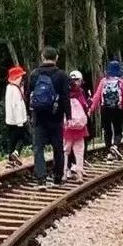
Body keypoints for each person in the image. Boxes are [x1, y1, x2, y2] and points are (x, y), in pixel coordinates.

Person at [26, 45, 71, 186]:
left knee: (38, 148)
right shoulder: (62, 75)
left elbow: (29, 95)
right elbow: (65, 98)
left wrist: (30, 113)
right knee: (58, 147)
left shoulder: (34, 74)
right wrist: (68, 116)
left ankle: (41, 178)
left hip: (39, 117)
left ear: (42, 57)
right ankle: (58, 177)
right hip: (56, 117)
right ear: (56, 58)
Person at [89, 58, 123, 163]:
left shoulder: (103, 81)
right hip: (117, 109)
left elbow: (96, 97)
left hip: (105, 109)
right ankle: (115, 146)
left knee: (107, 131)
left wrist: (91, 109)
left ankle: (109, 152)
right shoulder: (122, 82)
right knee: (118, 131)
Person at [63, 70, 89, 180]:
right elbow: (85, 106)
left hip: (67, 127)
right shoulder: (80, 93)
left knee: (65, 151)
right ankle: (79, 174)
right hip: (80, 128)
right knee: (79, 151)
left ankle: (64, 173)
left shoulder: (64, 93)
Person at [3, 64, 29, 167]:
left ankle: (10, 158)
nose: (22, 79)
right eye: (20, 77)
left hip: (9, 120)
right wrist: (20, 122)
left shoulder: (9, 88)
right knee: (22, 137)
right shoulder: (15, 90)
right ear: (16, 78)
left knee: (12, 139)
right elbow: (17, 106)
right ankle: (16, 153)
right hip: (18, 120)